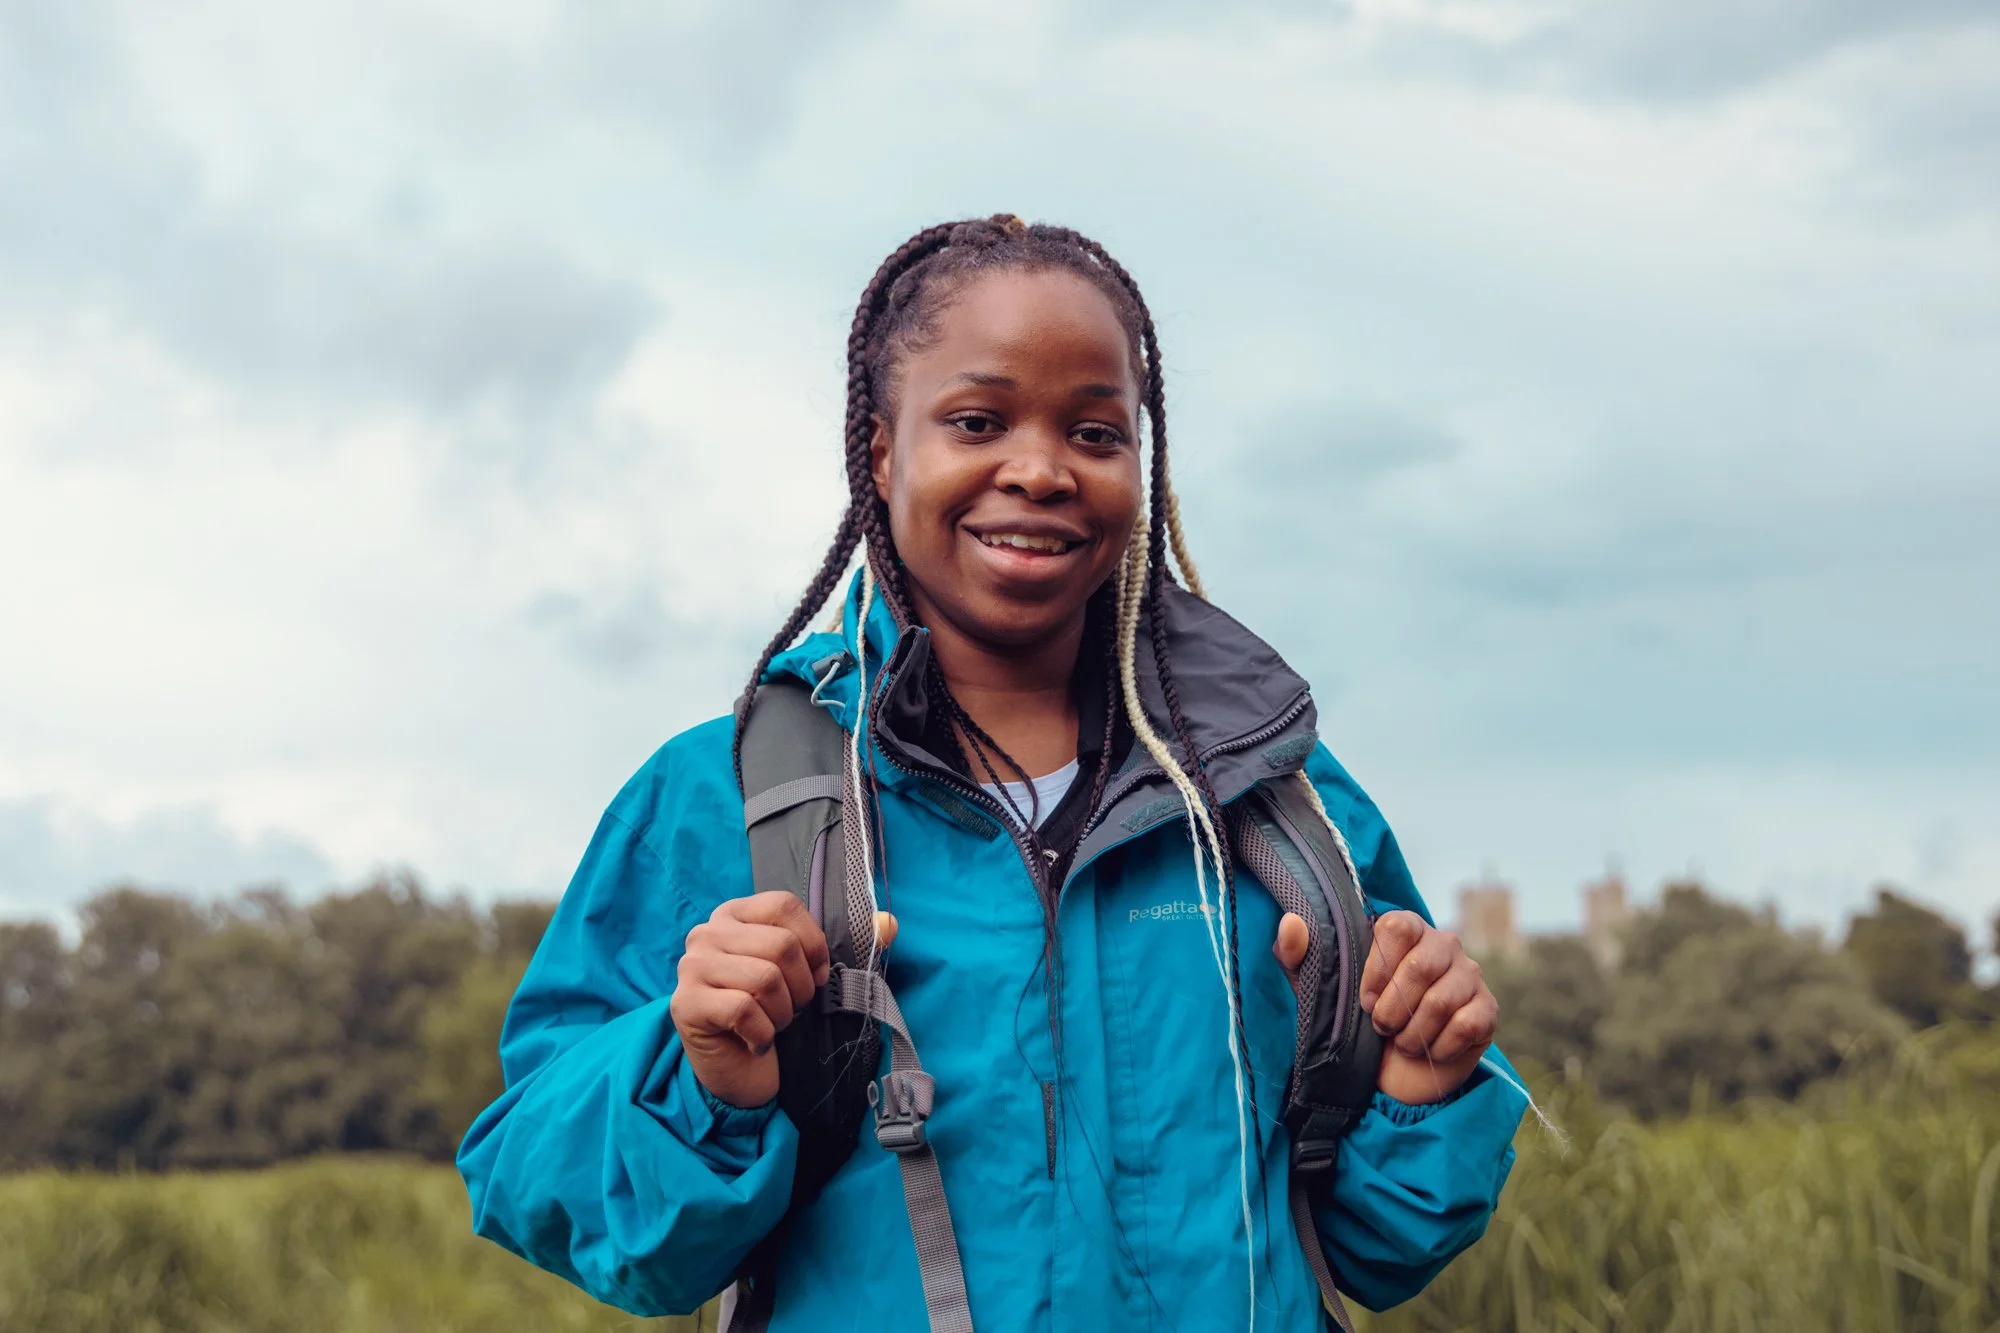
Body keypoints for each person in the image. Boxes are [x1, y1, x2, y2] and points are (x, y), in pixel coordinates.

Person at [457, 216, 1529, 1331]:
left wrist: (1425, 1077)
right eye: (977, 421)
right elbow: (546, 1191)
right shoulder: (728, 795)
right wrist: (699, 1069)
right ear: (880, 452)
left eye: (1095, 433)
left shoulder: (1272, 796)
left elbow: (1380, 1245)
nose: (1039, 468)